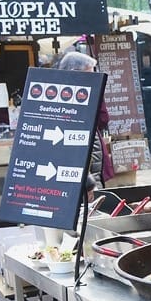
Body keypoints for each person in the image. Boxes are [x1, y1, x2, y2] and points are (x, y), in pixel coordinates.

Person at [59, 51, 112, 194]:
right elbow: (103, 118)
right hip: (83, 163)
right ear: (76, 73)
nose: (94, 77)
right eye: (90, 73)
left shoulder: (60, 94)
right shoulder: (86, 94)